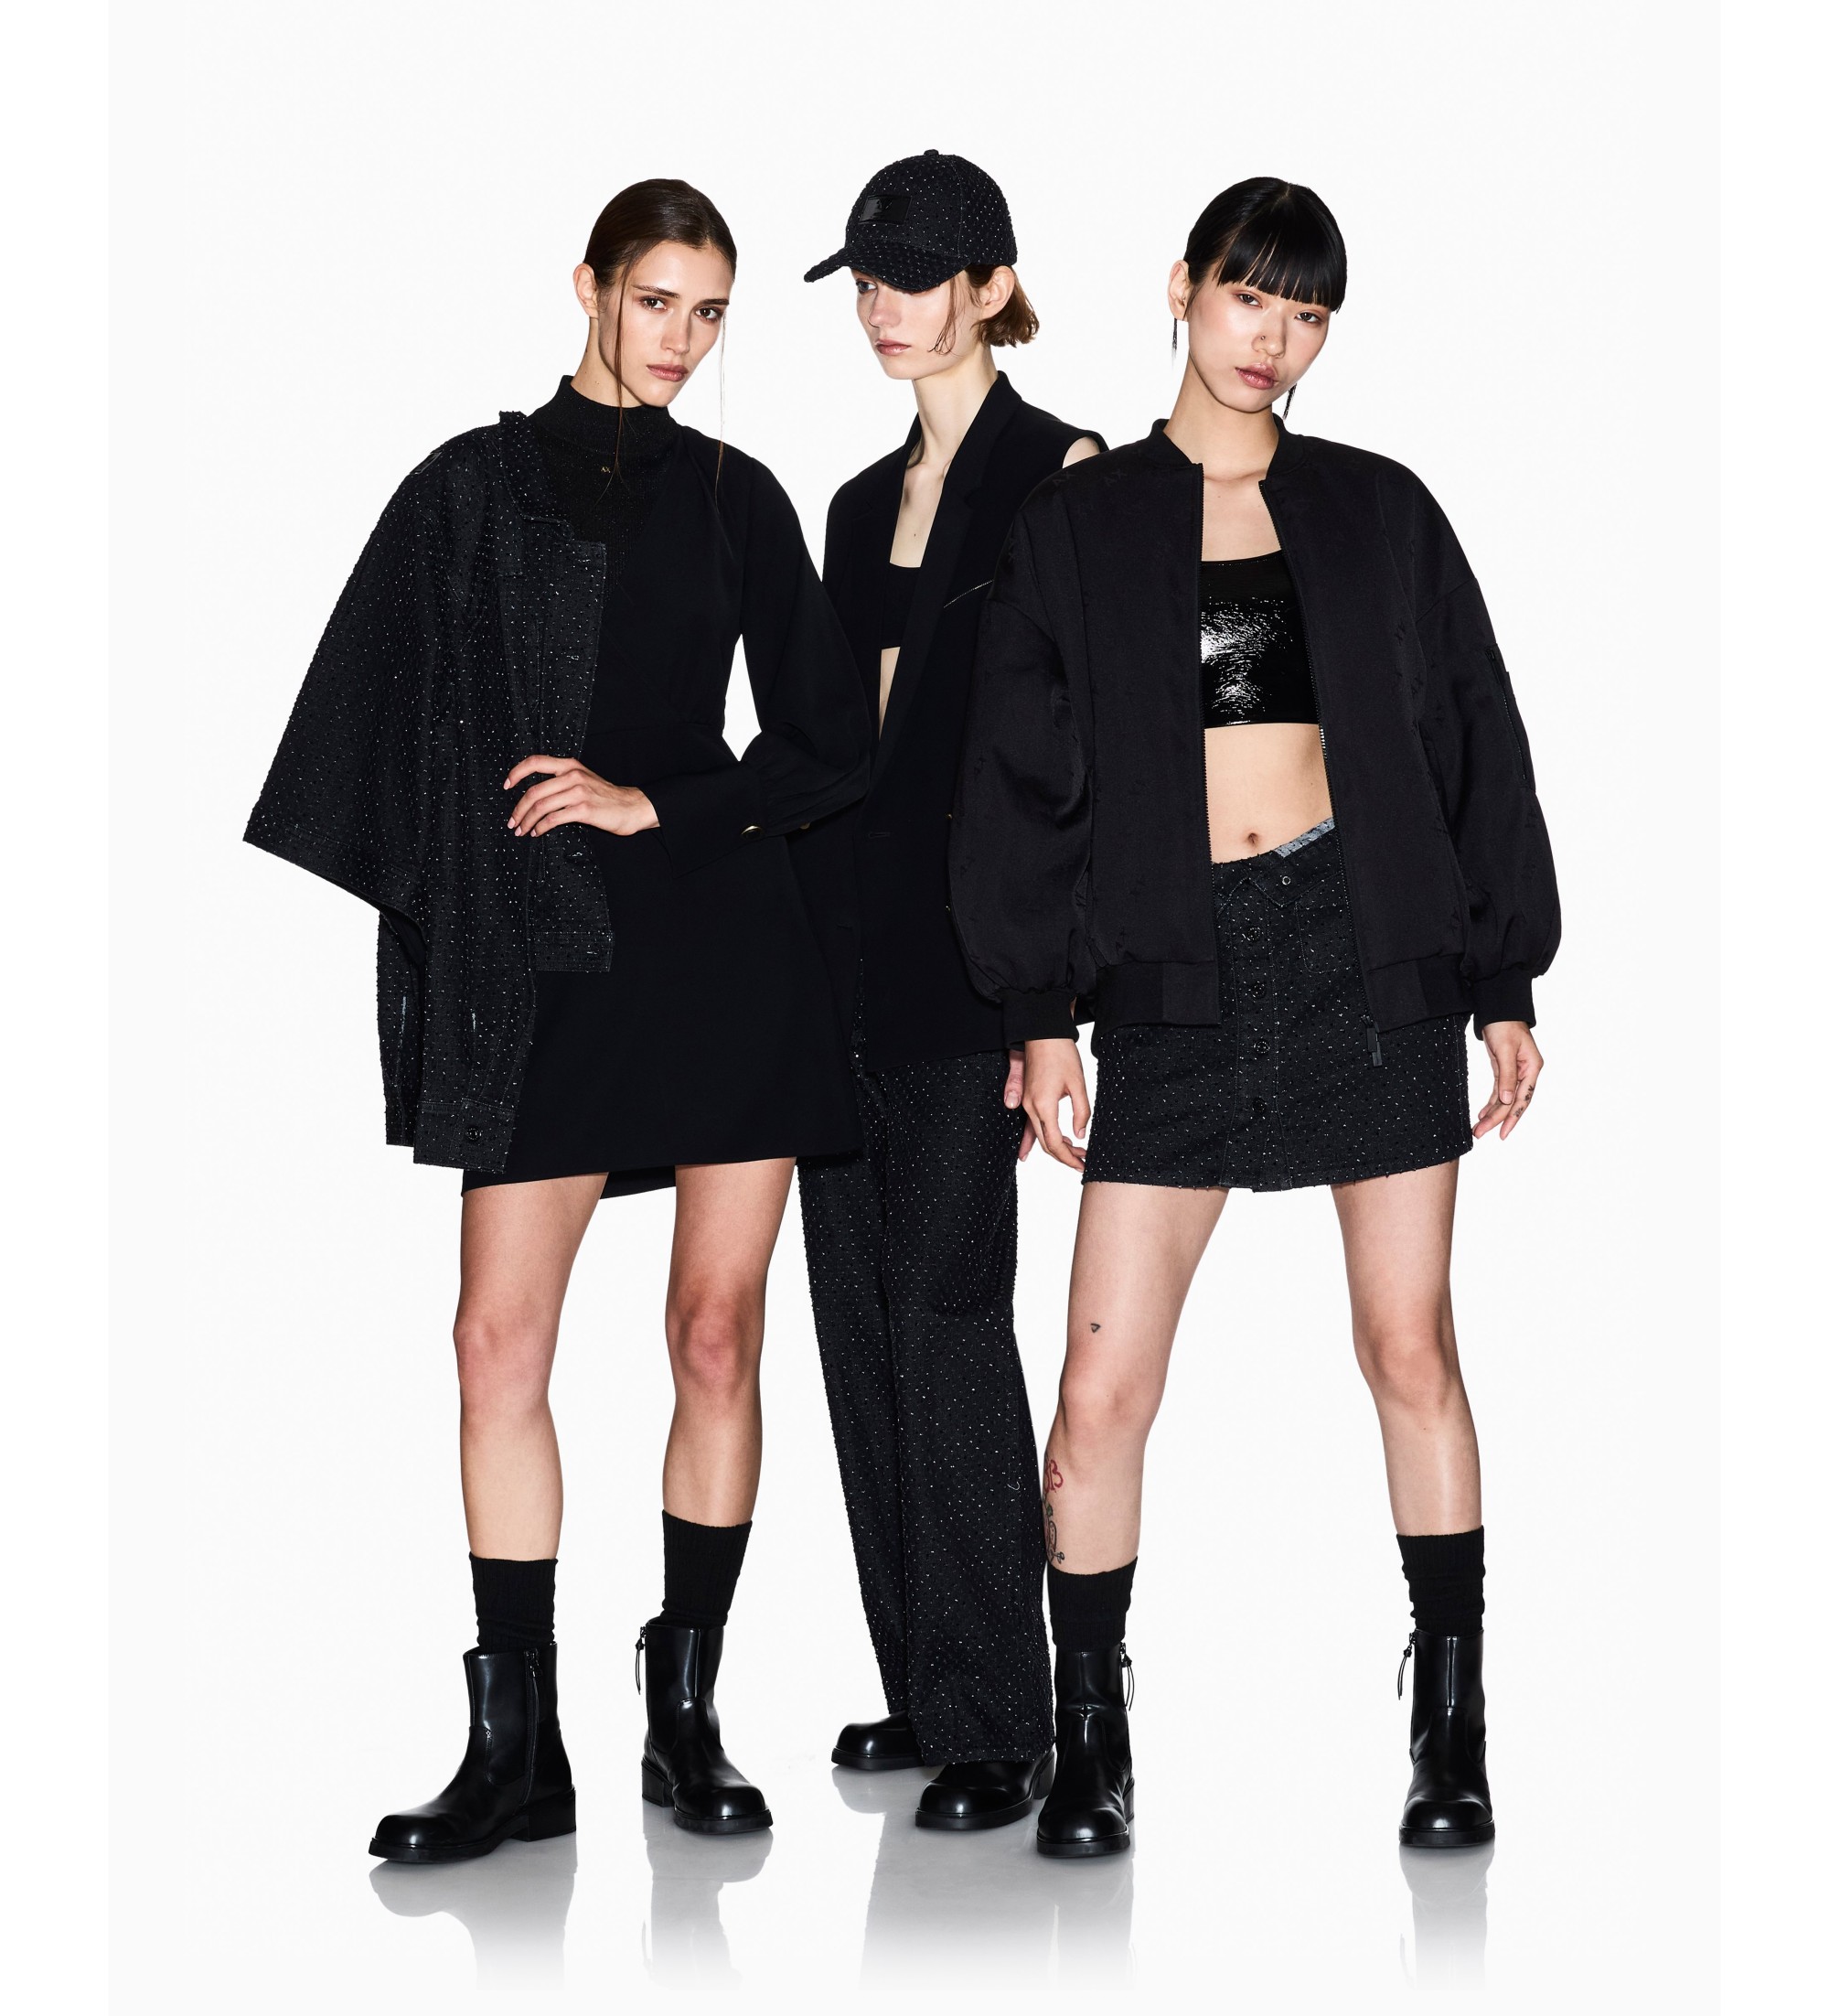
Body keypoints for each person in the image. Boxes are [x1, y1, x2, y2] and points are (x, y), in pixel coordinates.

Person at [245, 179, 871, 1860]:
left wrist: (658, 802)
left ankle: (687, 1716)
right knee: (494, 1345)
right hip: (546, 964)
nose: (684, 340)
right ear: (586, 285)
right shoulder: (470, 487)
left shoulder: (738, 496)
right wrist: (472, 895)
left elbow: (830, 741)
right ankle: (517, 1751)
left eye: (712, 312)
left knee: (716, 1337)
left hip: (725, 951)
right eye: (658, 300)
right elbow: (370, 723)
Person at [948, 177, 1559, 1858]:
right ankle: (1092, 1741)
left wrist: (1502, 980)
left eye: (1305, 314)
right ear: (1182, 290)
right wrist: (1040, 1012)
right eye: (1247, 299)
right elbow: (1019, 776)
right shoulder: (1083, 524)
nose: (1271, 339)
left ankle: (1451, 1736)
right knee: (1100, 1390)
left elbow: (1470, 733)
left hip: (1368, 955)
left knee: (1410, 1347)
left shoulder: (1377, 510)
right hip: (1175, 974)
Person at [793, 151, 1102, 1834]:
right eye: (864, 279)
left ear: (991, 284)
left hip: (972, 967)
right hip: (835, 955)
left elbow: (1081, 765)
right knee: (855, 1323)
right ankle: (923, 1680)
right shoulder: (854, 508)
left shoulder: (1065, 478)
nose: (881, 308)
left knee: (948, 1314)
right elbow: (834, 752)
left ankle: (1003, 1716)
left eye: (913, 277)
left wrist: (1047, 1002)